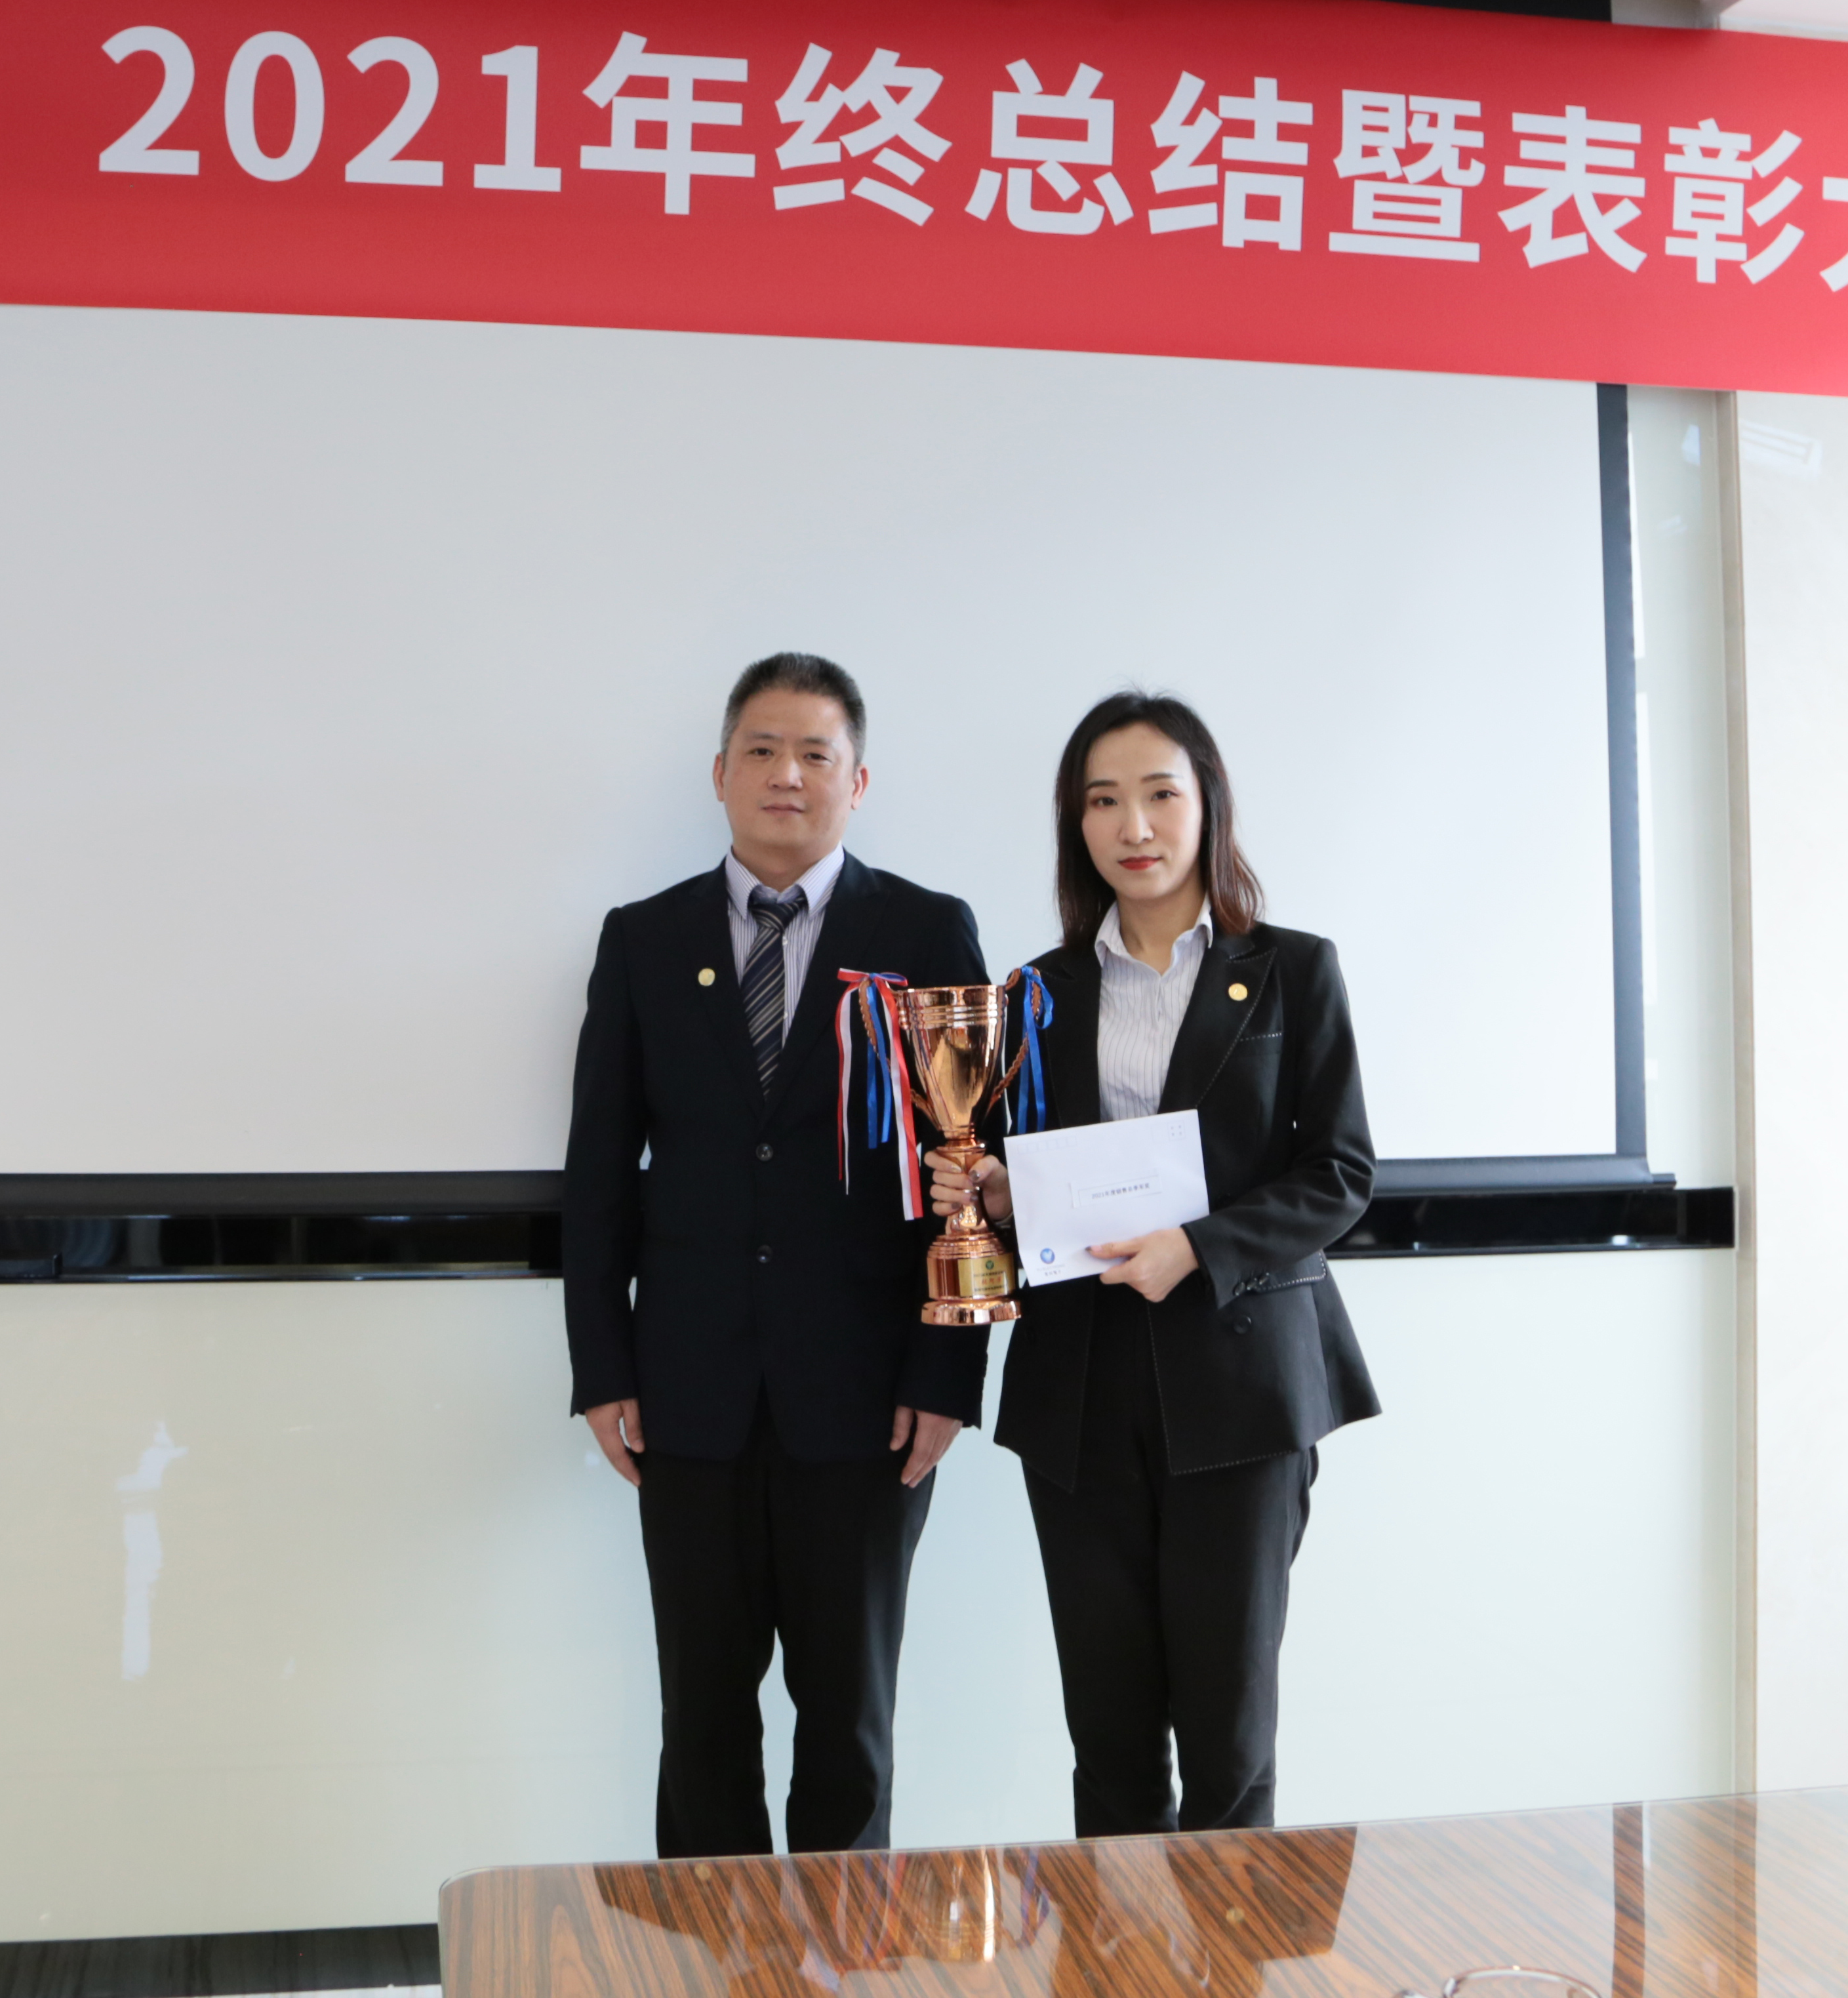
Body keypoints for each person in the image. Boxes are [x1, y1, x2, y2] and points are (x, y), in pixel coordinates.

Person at [927, 690, 1380, 1837]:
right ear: (1075, 825)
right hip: (1080, 1393)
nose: (1133, 825)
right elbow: (1031, 1178)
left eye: (1160, 794)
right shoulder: (1032, 994)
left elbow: (1339, 1175)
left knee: (1229, 1746)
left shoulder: (1290, 971)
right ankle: (1115, 1939)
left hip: (1241, 1390)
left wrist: (1199, 1248)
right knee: (1111, 1743)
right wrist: (995, 1198)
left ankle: (1238, 1940)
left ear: (1208, 806)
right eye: (1102, 801)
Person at [566, 651, 990, 1859]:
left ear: (859, 781)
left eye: (815, 754)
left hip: (867, 1402)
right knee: (702, 1724)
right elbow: (599, 1175)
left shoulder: (925, 932)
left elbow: (971, 1172)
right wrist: (603, 1368)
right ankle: (713, 1954)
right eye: (762, 750)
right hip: (688, 1392)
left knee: (848, 1726)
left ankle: (845, 1952)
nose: (787, 775)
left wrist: (947, 1374)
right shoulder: (644, 939)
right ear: (719, 773)